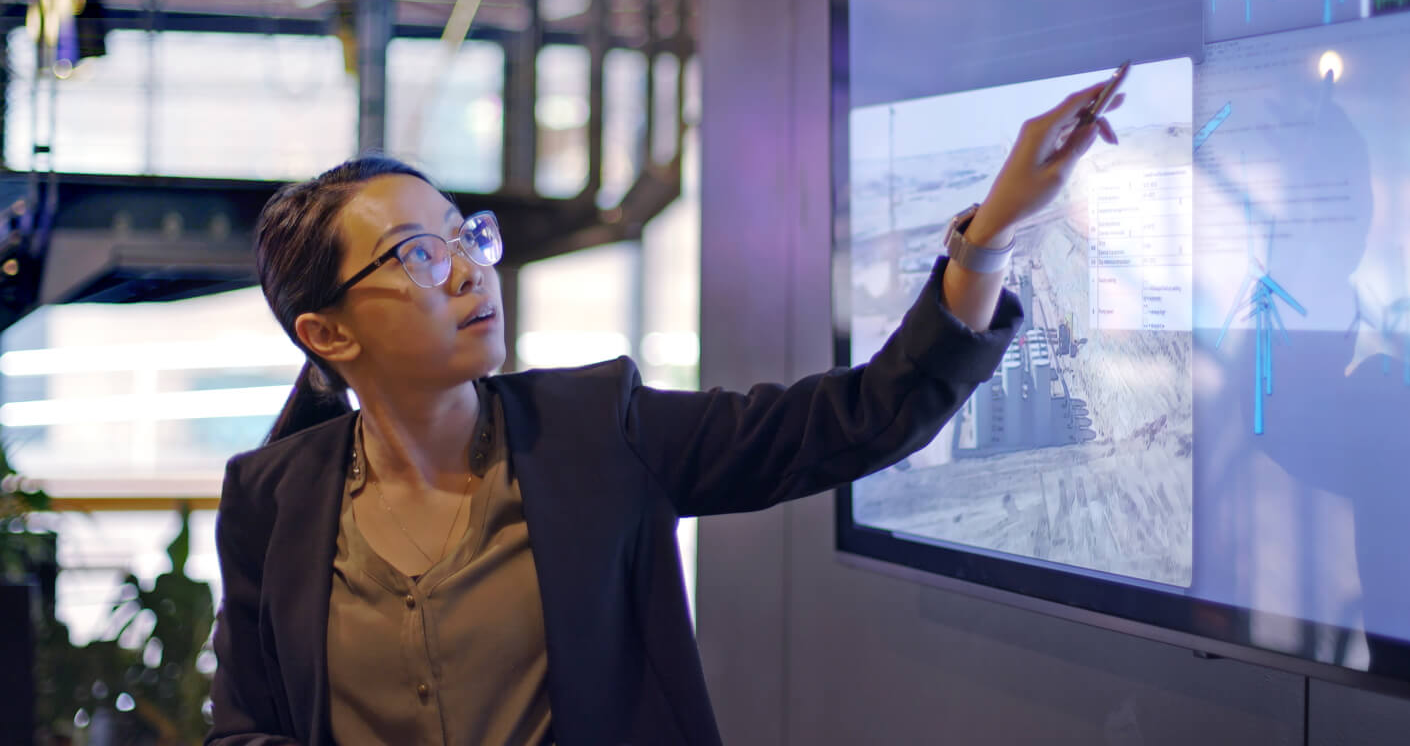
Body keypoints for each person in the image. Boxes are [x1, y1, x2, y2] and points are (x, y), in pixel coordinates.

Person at [206, 82, 1122, 746]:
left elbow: (862, 417)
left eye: (463, 234)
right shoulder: (271, 496)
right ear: (327, 334)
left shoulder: (597, 431)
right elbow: (245, 729)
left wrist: (990, 236)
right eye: (415, 254)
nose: (467, 268)